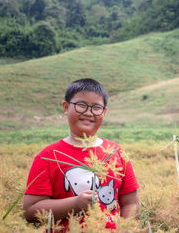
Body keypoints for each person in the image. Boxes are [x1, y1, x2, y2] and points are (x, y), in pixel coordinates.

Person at [23, 78, 139, 231]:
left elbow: (131, 203)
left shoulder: (117, 153)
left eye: (96, 107)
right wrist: (75, 204)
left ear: (104, 112)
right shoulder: (48, 156)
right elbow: (30, 211)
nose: (88, 112)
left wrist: (125, 228)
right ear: (65, 107)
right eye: (81, 105)